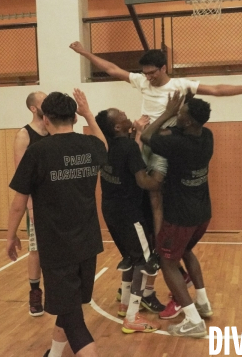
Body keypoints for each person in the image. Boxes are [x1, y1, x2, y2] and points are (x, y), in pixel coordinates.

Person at [69, 40, 242, 262]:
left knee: (156, 195)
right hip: (142, 141)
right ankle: (139, 241)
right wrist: (85, 53)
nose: (148, 77)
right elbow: (112, 69)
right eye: (146, 73)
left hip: (161, 144)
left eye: (152, 73)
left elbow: (216, 89)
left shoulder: (180, 85)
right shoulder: (142, 81)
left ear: (163, 68)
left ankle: (159, 247)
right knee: (135, 188)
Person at [6, 89, 108, 357]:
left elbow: (19, 202)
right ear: (75, 117)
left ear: (46, 119)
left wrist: (10, 236)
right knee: (69, 309)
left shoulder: (39, 152)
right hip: (87, 244)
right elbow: (104, 146)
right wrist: (90, 115)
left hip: (57, 248)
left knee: (74, 321)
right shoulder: (91, 146)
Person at [140, 91, 214, 338]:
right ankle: (202, 303)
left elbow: (147, 135)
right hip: (202, 212)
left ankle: (193, 320)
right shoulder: (207, 136)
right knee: (186, 252)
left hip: (180, 216)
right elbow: (176, 131)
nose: (178, 116)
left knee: (168, 261)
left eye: (182, 114)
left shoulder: (177, 144)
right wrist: (183, 107)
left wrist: (168, 112)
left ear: (189, 121)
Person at [94, 108, 164, 333]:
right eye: (123, 117)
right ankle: (132, 317)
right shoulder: (129, 147)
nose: (128, 118)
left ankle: (125, 304)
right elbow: (143, 182)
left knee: (131, 257)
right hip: (130, 214)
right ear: (117, 127)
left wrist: (137, 133)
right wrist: (162, 181)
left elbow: (128, 159)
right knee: (145, 263)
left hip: (110, 211)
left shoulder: (105, 145)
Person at [13, 91, 49, 317]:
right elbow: (21, 178)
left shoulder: (56, 130)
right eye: (43, 101)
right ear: (33, 108)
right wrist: (31, 207)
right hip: (37, 203)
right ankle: (35, 293)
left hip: (58, 201)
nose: (48, 102)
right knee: (35, 249)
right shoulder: (24, 135)